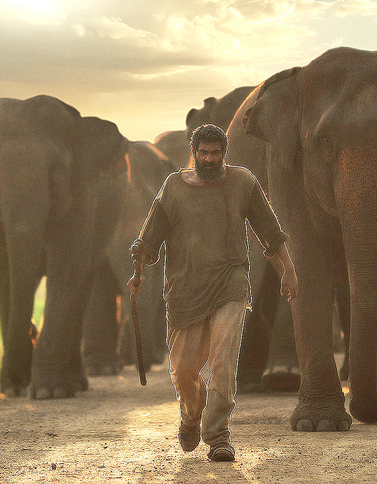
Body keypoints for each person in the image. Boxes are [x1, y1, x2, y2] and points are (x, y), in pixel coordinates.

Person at [127, 123, 298, 462]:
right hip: (184, 291)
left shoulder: (243, 182)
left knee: (223, 362)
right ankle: (191, 415)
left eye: (215, 153)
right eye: (203, 153)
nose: (209, 159)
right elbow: (150, 238)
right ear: (194, 153)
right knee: (184, 372)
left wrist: (289, 269)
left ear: (224, 154)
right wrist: (139, 269)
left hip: (230, 283)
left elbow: (270, 230)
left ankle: (219, 435)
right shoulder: (173, 187)